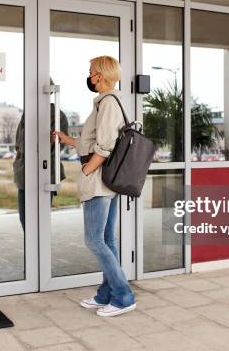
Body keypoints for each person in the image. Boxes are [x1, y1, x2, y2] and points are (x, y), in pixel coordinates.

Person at [53, 55, 136, 317]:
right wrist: (68, 140)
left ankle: (123, 296)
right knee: (107, 239)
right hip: (105, 179)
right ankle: (106, 294)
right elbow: (92, 141)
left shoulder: (109, 102)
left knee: (93, 240)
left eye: (91, 72)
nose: (89, 76)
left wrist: (89, 168)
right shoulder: (105, 102)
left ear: (101, 75)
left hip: (99, 180)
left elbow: (105, 145)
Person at [13, 87, 68, 232]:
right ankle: (33, 254)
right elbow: (18, 143)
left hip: (45, 172)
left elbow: (59, 144)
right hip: (24, 174)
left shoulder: (57, 115)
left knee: (39, 219)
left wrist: (40, 145)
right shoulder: (27, 114)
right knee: (25, 218)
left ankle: (40, 254)